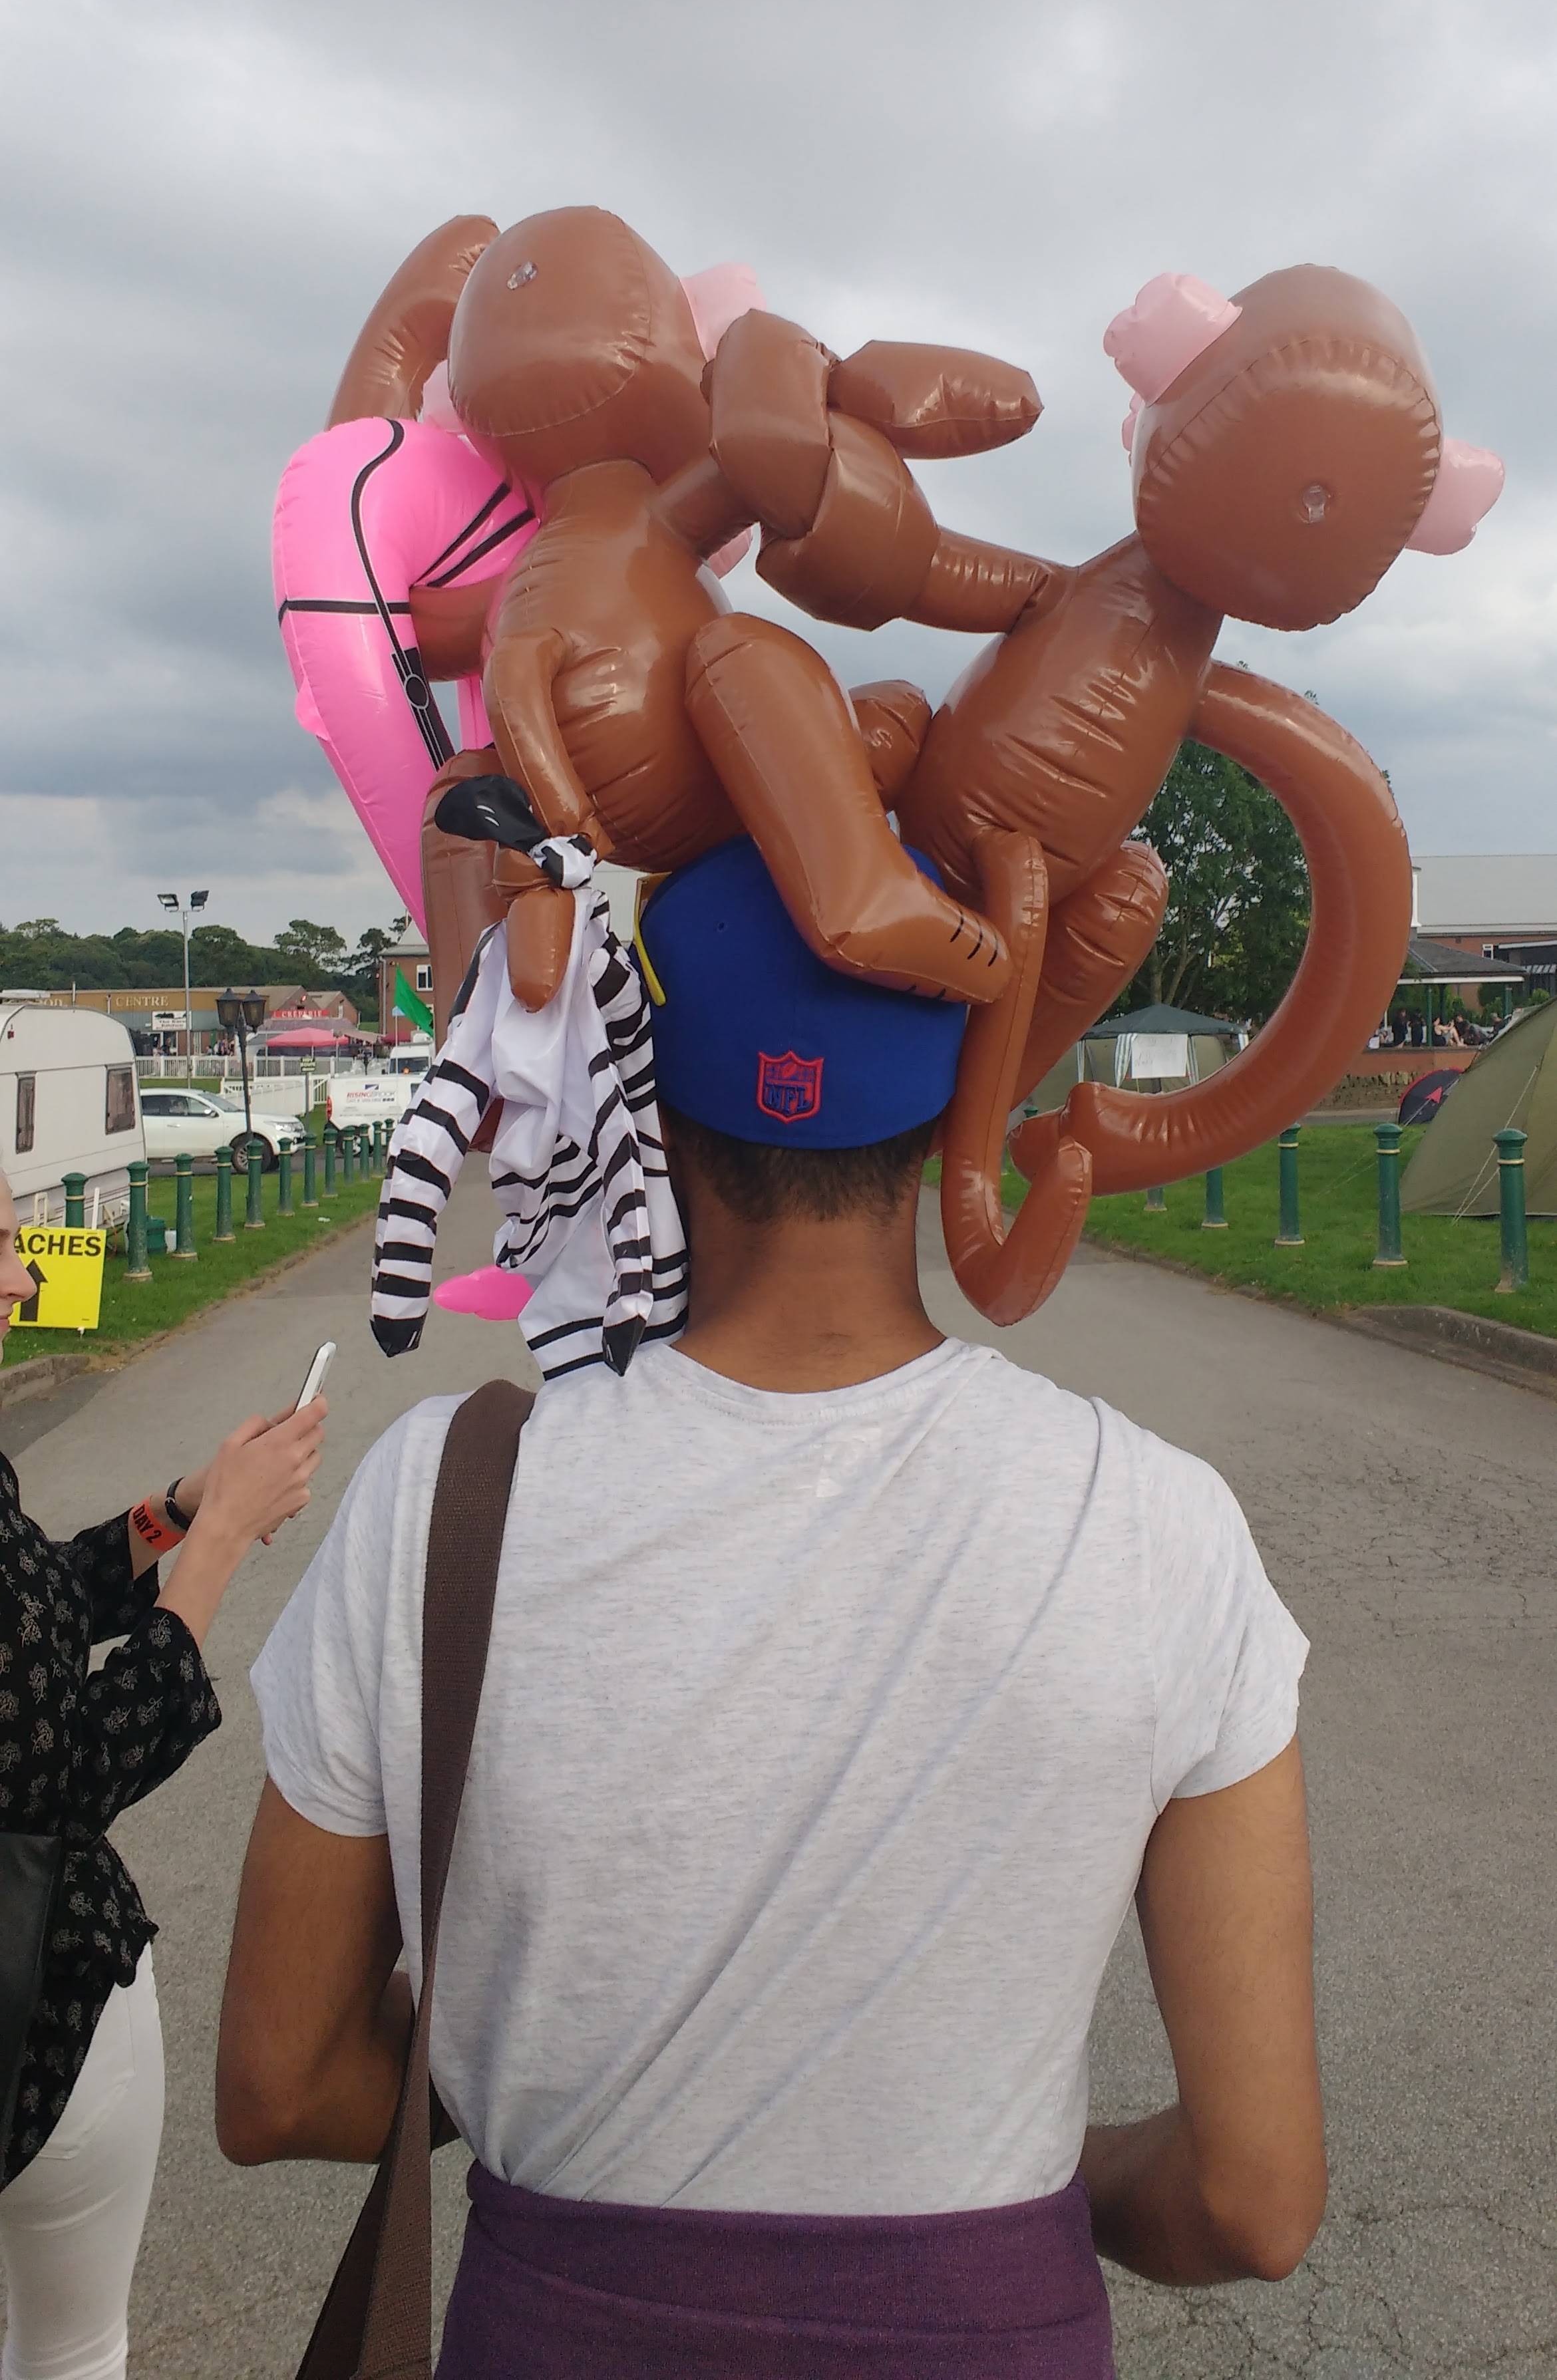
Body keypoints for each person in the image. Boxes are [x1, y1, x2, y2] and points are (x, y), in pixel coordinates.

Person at [219, 840, 1324, 2377]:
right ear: (960, 1100)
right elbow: (1254, 2199)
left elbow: (280, 2082)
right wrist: (1011, 2201)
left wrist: (525, 2074)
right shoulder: (1156, 1522)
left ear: (644, 1105)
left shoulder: (443, 1494)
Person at [0, 1165, 326, 2380]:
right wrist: (222, 1545)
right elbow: (68, 1776)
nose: (24, 1279)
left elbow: (36, 1600)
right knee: (72, 2347)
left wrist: (180, 1509)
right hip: (42, 2008)